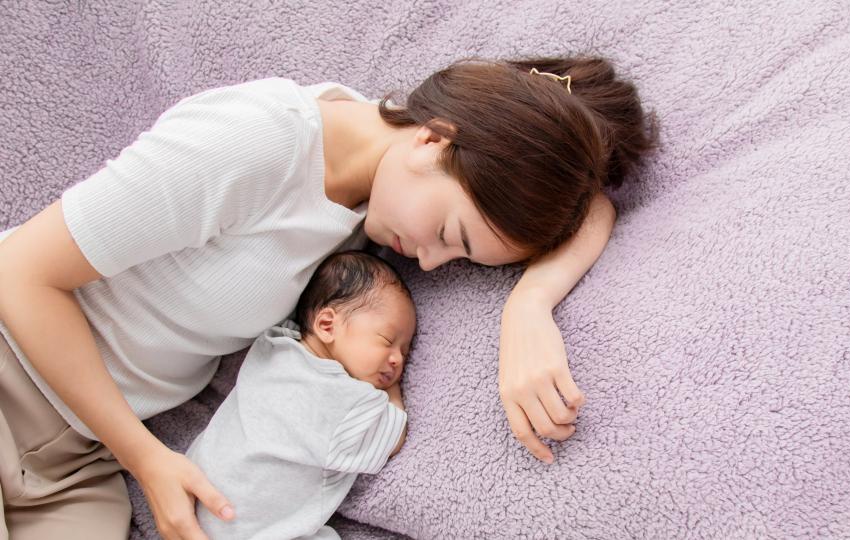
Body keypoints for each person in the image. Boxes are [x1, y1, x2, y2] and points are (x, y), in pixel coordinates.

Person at [0, 55, 657, 539]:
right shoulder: (261, 142)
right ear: (433, 138)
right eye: (449, 236)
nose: (429, 260)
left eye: (459, 257)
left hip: (74, 461)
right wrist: (146, 458)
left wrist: (529, 308)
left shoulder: (382, 196)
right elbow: (19, 272)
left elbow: (592, 202)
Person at [187, 250, 415, 539]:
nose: (398, 360)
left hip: (196, 494)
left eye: (405, 352)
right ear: (327, 325)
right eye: (387, 341)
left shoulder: (274, 345)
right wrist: (391, 391)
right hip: (245, 527)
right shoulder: (342, 399)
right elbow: (390, 438)